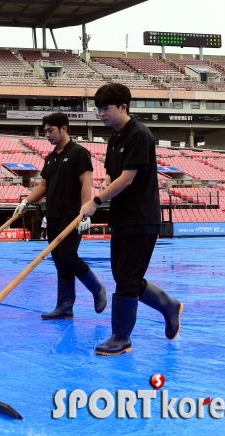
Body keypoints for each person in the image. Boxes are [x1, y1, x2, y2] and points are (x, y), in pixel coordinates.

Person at [80, 83, 183, 356]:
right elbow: (113, 175)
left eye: (106, 108)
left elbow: (127, 178)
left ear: (123, 107)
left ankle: (121, 337)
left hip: (141, 218)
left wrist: (97, 200)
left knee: (126, 279)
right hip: (122, 218)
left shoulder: (139, 135)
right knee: (124, 276)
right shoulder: (115, 138)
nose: (101, 113)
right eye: (98, 109)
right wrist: (99, 191)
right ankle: (168, 305)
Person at [15, 112, 107, 320]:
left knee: (68, 256)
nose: (47, 134)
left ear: (64, 128)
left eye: (50, 130)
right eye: (45, 131)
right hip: (54, 216)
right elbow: (44, 186)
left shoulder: (78, 153)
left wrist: (86, 212)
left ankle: (97, 288)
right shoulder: (50, 157)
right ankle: (65, 306)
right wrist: (26, 202)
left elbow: (86, 182)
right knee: (59, 261)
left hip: (72, 216)